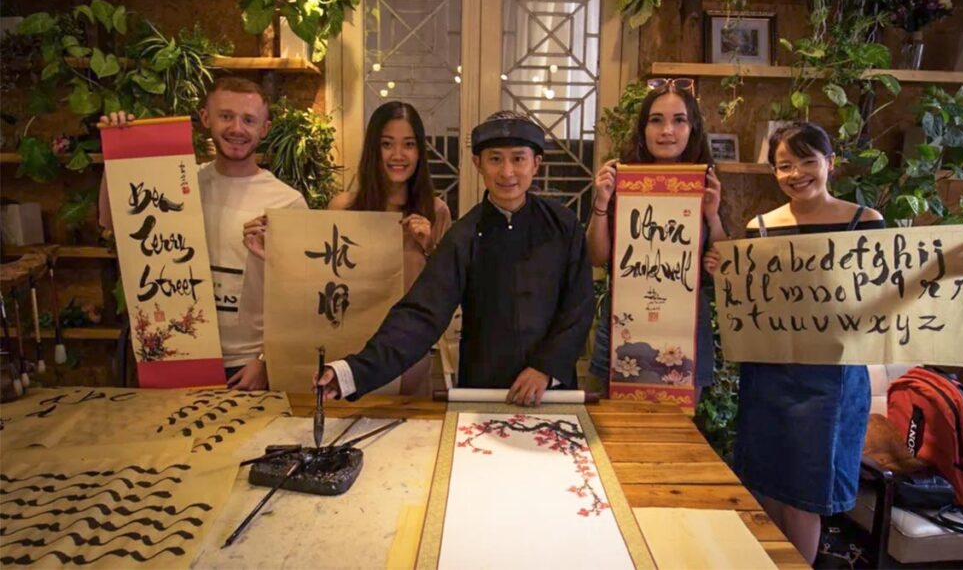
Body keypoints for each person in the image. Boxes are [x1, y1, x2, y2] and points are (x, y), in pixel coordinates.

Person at [703, 122, 963, 564]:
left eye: (808, 161)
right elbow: (747, 290)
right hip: (768, 376)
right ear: (773, 171)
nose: (797, 173)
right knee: (765, 489)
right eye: (785, 165)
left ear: (829, 164)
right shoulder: (760, 226)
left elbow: (898, 283)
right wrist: (718, 263)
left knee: (804, 495)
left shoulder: (865, 220)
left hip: (831, 382)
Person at [315, 111, 594, 406]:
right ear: (478, 164)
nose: (507, 172)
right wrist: (352, 372)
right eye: (495, 159)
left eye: (518, 159)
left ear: (536, 163)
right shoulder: (464, 236)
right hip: (484, 392)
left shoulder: (563, 225)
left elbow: (578, 306)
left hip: (551, 391)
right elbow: (421, 314)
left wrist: (546, 368)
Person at [99, 77, 307, 390]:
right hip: (177, 354)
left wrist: (267, 360)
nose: (237, 128)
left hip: (247, 366)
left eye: (249, 120)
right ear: (206, 118)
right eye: (226, 116)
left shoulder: (288, 201)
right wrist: (116, 153)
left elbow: (300, 297)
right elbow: (113, 220)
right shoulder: (177, 186)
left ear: (264, 128)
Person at [243, 101, 451, 395]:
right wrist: (274, 255)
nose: (398, 155)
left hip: (406, 357)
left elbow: (441, 294)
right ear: (373, 150)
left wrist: (429, 246)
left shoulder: (435, 211)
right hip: (352, 351)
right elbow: (317, 279)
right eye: (387, 144)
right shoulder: (344, 207)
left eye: (409, 145)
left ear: (420, 152)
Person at [586, 78, 726, 398]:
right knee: (612, 433)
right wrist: (603, 201)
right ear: (643, 129)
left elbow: (722, 265)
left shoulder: (705, 183)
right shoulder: (620, 180)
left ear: (692, 130)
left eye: (679, 121)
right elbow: (596, 258)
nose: (667, 131)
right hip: (625, 325)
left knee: (676, 437)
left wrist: (713, 215)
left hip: (686, 328)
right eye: (656, 120)